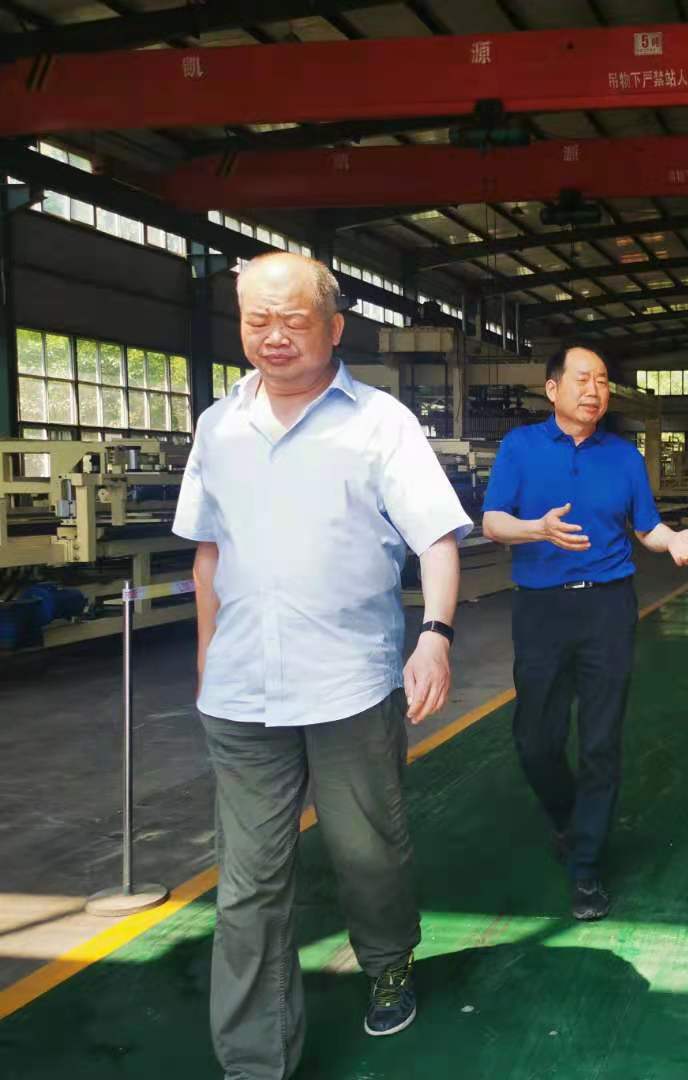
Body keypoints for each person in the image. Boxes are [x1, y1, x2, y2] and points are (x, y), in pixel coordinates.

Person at [174, 252, 471, 1079]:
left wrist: (435, 634)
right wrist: (205, 665)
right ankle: (255, 1060)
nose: (273, 336)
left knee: (367, 851)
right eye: (256, 320)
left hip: (349, 688)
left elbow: (436, 540)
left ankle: (388, 961)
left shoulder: (380, 423)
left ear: (333, 327)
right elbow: (208, 556)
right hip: (241, 694)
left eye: (292, 320)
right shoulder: (217, 427)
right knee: (249, 884)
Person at [481, 342, 688, 921]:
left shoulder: (624, 456)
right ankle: (569, 817)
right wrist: (537, 529)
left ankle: (585, 866)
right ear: (552, 388)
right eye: (582, 379)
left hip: (608, 607)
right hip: (541, 609)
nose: (594, 390)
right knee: (536, 738)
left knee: (601, 741)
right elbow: (493, 521)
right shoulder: (520, 447)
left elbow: (647, 527)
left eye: (603, 380)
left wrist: (674, 540)